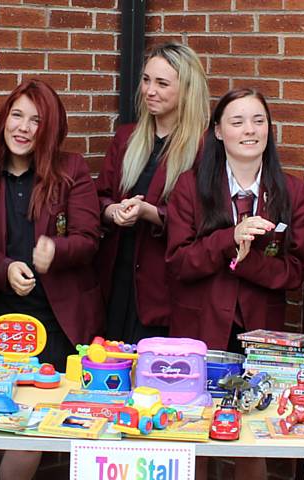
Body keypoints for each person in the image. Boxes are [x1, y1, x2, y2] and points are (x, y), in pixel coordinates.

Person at [166, 88, 304, 480]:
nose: (250, 131)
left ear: (270, 130)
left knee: (253, 444)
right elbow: (178, 264)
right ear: (218, 132)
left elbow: (294, 275)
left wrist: (247, 260)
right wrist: (230, 239)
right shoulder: (191, 187)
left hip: (261, 338)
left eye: (258, 121)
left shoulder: (291, 191)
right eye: (238, 121)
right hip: (201, 330)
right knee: (194, 438)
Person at [0, 79, 104, 480]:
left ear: (50, 129)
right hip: (3, 317)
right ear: (4, 118)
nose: (24, 127)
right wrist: (4, 268)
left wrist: (57, 250)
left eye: (36, 119)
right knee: (13, 418)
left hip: (56, 318)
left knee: (34, 421)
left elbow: (90, 237)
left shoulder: (72, 171)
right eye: (17, 115)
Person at [96, 42, 209, 343]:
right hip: (117, 279)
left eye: (162, 83)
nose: (149, 90)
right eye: (146, 80)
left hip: (164, 289)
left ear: (186, 89)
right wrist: (113, 211)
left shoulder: (204, 148)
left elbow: (206, 221)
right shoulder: (126, 138)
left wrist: (151, 213)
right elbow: (100, 196)